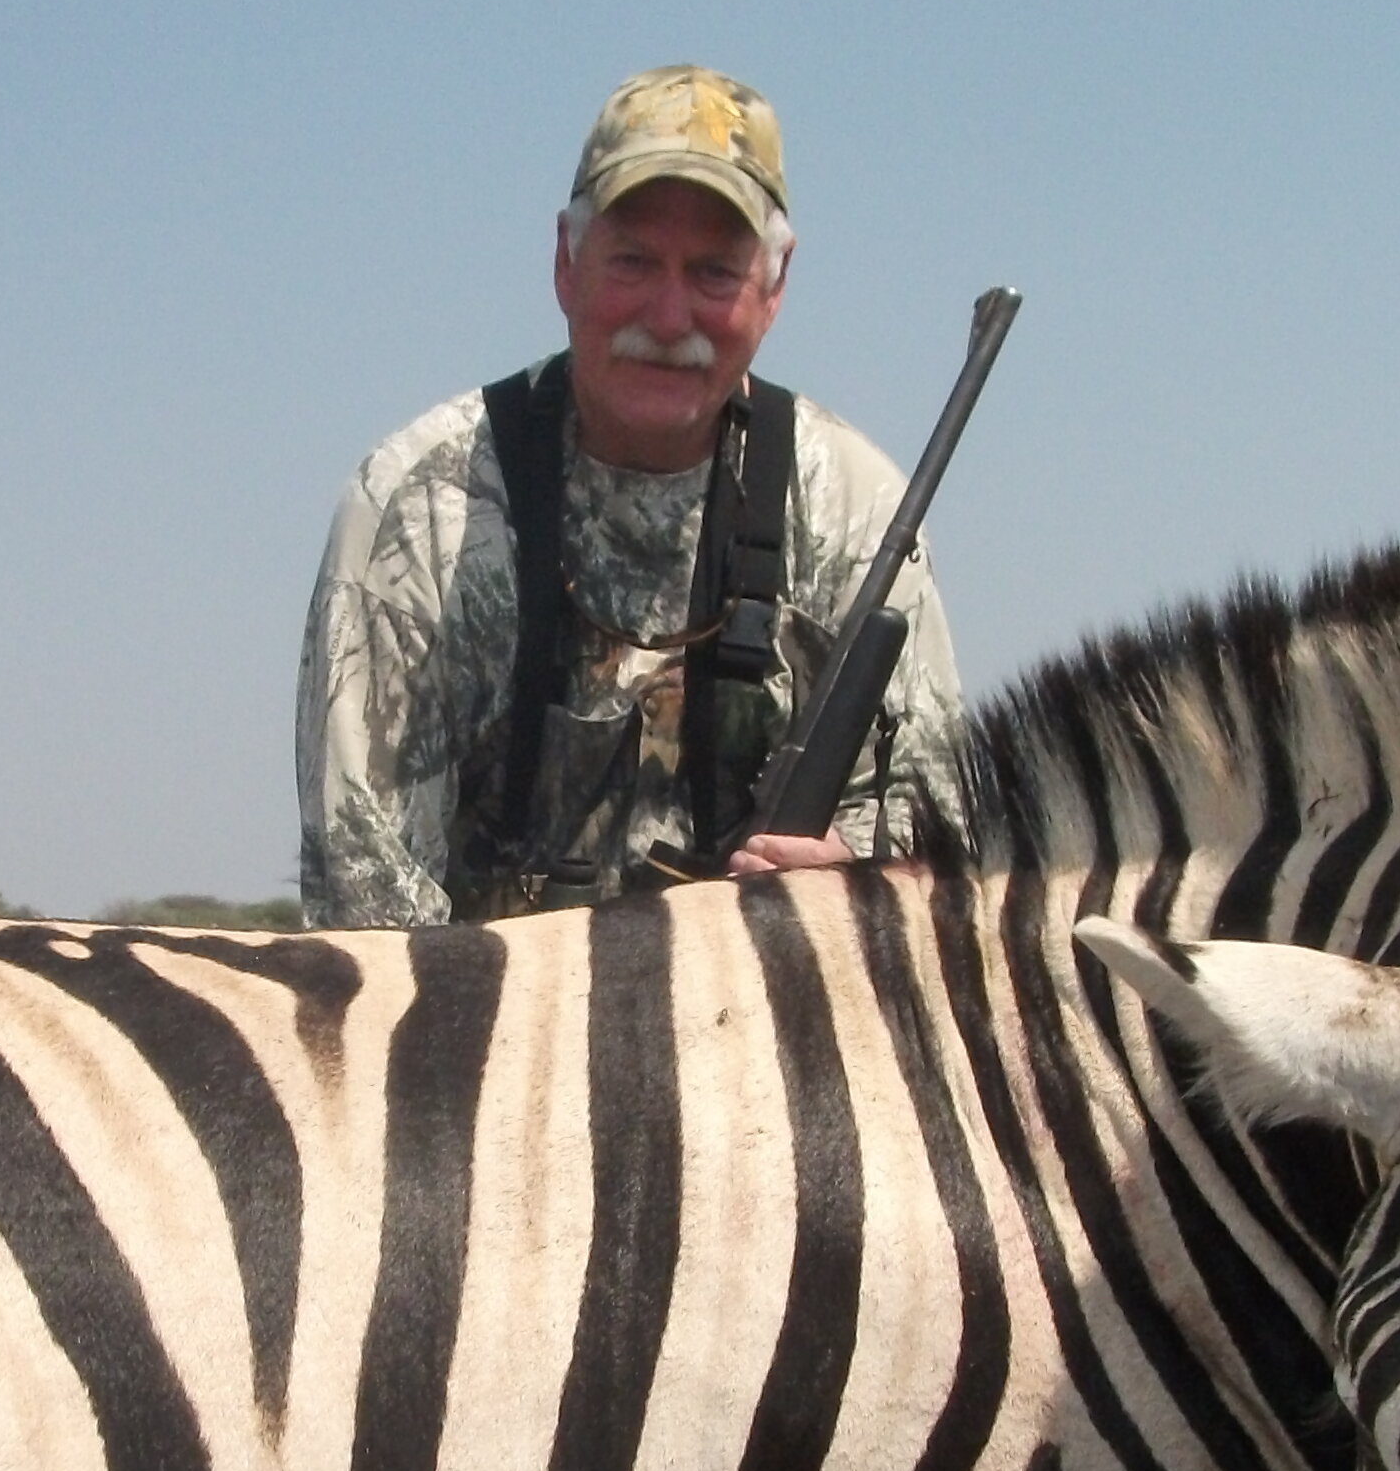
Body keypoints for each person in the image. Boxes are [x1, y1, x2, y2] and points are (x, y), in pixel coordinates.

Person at [296, 65, 971, 928]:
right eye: (633, 261)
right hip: (474, 1037)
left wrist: (865, 891)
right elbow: (369, 916)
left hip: (773, 1033)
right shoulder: (417, 509)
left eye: (715, 273)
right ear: (564, 263)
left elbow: (938, 866)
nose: (668, 313)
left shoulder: (863, 514)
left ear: (776, 286)